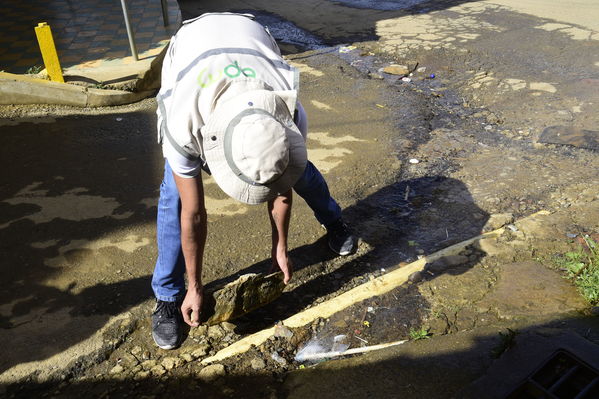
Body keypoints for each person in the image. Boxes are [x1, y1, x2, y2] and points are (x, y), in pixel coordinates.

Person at [152, 12, 356, 350]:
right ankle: (167, 296)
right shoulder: (184, 124)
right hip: (191, 50)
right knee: (176, 198)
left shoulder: (287, 111)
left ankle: (336, 221)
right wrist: (195, 285)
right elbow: (195, 215)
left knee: (299, 170)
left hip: (248, 38)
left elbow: (283, 189)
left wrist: (281, 247)